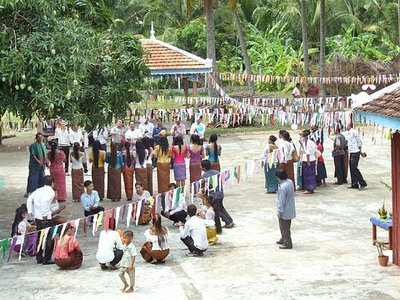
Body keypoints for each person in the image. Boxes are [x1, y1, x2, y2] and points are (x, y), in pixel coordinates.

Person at [27, 175, 56, 264]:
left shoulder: (38, 190)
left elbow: (29, 199)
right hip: (45, 218)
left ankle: (39, 257)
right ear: (52, 183)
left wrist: (30, 210)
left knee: (40, 237)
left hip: (38, 217)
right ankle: (46, 258)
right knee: (49, 238)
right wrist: (45, 214)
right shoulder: (51, 191)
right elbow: (44, 202)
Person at [201, 160, 234, 228]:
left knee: (217, 210)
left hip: (213, 195)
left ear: (204, 167)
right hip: (220, 193)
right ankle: (230, 220)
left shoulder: (204, 175)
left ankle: (227, 222)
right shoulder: (217, 172)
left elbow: (203, 186)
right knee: (221, 208)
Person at [275, 169, 296, 249]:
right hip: (290, 209)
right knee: (287, 226)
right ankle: (283, 238)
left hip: (284, 210)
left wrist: (280, 211)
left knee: (284, 227)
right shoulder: (290, 182)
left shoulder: (283, 187)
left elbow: (281, 200)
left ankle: (287, 242)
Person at [25, 133, 47, 197]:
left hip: (42, 165)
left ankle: (39, 191)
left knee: (41, 178)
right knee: (32, 178)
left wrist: (46, 162)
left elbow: (45, 155)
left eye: (41, 137)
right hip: (34, 165)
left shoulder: (43, 145)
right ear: (36, 138)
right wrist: (38, 161)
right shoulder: (33, 145)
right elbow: (33, 155)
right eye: (39, 137)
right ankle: (30, 191)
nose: (40, 139)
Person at [299, 130, 317, 194]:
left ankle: (309, 189)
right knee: (312, 175)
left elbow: (307, 153)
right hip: (312, 159)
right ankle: (311, 188)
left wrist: (308, 161)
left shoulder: (306, 143)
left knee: (307, 175)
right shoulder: (312, 142)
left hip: (307, 160)